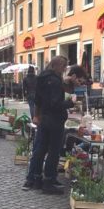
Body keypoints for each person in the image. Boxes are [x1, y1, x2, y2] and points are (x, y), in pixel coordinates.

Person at [23, 56, 74, 194]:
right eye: (64, 67)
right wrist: (70, 103)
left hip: (43, 119)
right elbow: (55, 104)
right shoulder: (55, 81)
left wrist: (37, 115)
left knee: (40, 149)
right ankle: (49, 180)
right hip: (55, 120)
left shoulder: (42, 78)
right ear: (59, 66)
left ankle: (34, 178)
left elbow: (38, 99)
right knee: (53, 151)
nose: (64, 70)